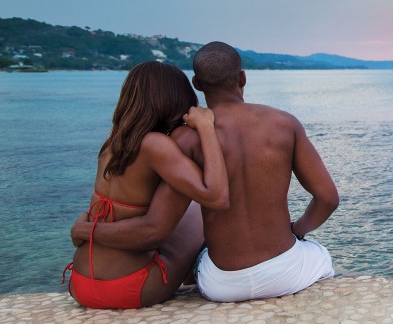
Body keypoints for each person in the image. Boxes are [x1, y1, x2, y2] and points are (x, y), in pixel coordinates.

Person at [71, 41, 339, 302]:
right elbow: (328, 199)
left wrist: (89, 230)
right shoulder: (285, 124)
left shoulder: (180, 140)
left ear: (197, 84)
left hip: (221, 284)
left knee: (193, 210)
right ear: (243, 78)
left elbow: (160, 223)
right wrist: (297, 230)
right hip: (285, 272)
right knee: (319, 255)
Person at [64, 61, 230, 309]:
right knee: (197, 211)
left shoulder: (112, 145)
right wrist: (206, 127)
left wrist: (84, 231)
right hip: (128, 287)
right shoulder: (154, 145)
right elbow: (216, 197)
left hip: (81, 284)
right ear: (173, 99)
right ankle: (212, 275)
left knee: (178, 207)